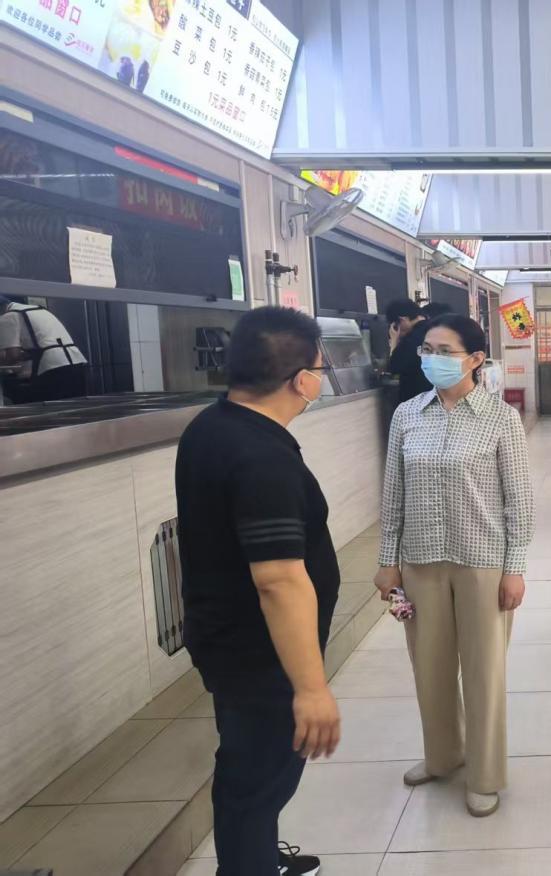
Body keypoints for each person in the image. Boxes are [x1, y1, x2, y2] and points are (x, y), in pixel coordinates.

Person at [175, 307, 339, 876]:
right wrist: (311, 688)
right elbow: (279, 580)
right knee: (257, 784)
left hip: (226, 638)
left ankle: (261, 859)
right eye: (320, 368)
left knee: (248, 772)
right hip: (262, 655)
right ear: (300, 379)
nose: (321, 378)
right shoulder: (262, 458)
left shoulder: (212, 425)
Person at [374, 314, 534, 819]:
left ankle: (484, 774)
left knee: (484, 672)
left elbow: (519, 500)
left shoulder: (500, 418)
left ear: (475, 359)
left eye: (445, 351)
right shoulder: (407, 415)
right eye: (427, 349)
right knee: (430, 667)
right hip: (421, 561)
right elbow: (393, 494)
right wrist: (387, 561)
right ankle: (443, 756)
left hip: (482, 560)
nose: (432, 359)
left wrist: (514, 568)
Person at [0, 295, 89, 402]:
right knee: (76, 407)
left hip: (50, 368)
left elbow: (13, 355)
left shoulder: (8, 316)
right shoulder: (39, 309)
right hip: (75, 362)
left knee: (47, 408)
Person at [385, 299, 452, 404]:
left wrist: (394, 341)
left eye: (395, 325)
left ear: (402, 320)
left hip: (416, 399)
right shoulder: (436, 328)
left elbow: (395, 367)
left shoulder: (412, 338)